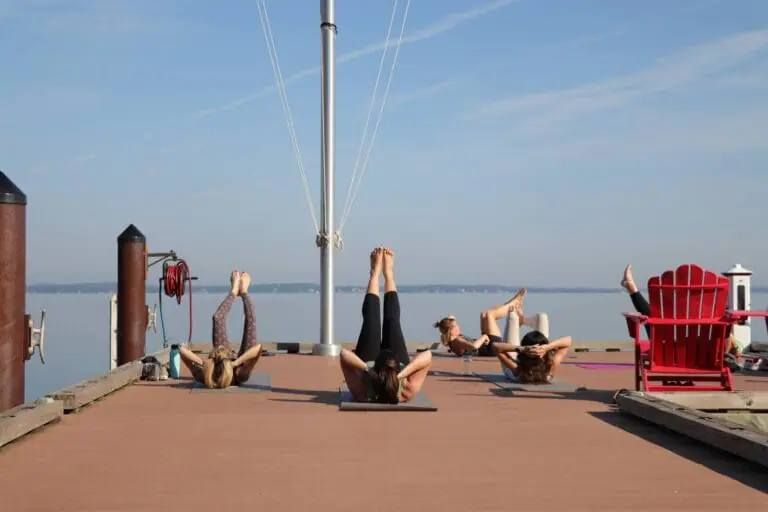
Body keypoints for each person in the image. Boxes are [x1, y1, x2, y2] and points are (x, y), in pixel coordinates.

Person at [621, 264, 760, 370]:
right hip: (707, 359)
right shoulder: (716, 319)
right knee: (654, 319)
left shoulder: (672, 331)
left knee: (651, 318)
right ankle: (631, 288)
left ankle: (632, 289)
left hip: (666, 356)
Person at [340, 248, 432, 404]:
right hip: (396, 366)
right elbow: (428, 355)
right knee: (392, 321)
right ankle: (389, 274)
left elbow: (343, 354)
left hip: (371, 363)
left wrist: (369, 370)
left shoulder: (364, 392)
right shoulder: (405, 391)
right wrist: (401, 374)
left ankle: (375, 273)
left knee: (371, 321)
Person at [178, 271, 263, 388]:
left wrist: (205, 363)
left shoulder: (204, 375)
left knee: (217, 318)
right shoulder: (240, 374)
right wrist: (235, 363)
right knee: (251, 320)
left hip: (222, 357)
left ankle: (233, 291)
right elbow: (258, 349)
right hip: (239, 361)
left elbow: (181, 350)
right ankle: (243, 291)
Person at [491, 303, 572, 383]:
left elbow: (495, 346)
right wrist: (547, 347)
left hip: (515, 356)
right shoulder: (549, 369)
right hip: (525, 355)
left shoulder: (518, 370)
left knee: (513, 317)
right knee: (542, 317)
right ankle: (524, 320)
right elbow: (568, 340)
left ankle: (520, 320)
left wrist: (522, 349)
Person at [433, 289, 527, 356]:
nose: (459, 326)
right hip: (491, 348)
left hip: (486, 346)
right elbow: (474, 347)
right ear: (451, 330)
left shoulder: (451, 340)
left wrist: (450, 319)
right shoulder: (457, 340)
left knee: (484, 314)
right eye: (456, 326)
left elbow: (450, 322)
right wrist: (484, 336)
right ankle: (514, 304)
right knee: (490, 314)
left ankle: (511, 302)